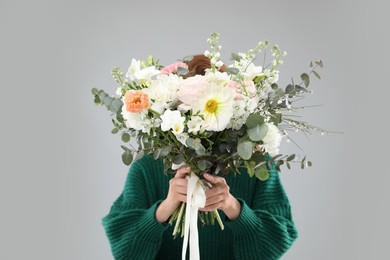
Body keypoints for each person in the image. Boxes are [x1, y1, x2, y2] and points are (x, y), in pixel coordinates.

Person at [101, 55, 298, 259]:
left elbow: (277, 241)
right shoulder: (148, 166)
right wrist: (165, 208)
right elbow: (124, 252)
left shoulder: (256, 164)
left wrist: (232, 206)